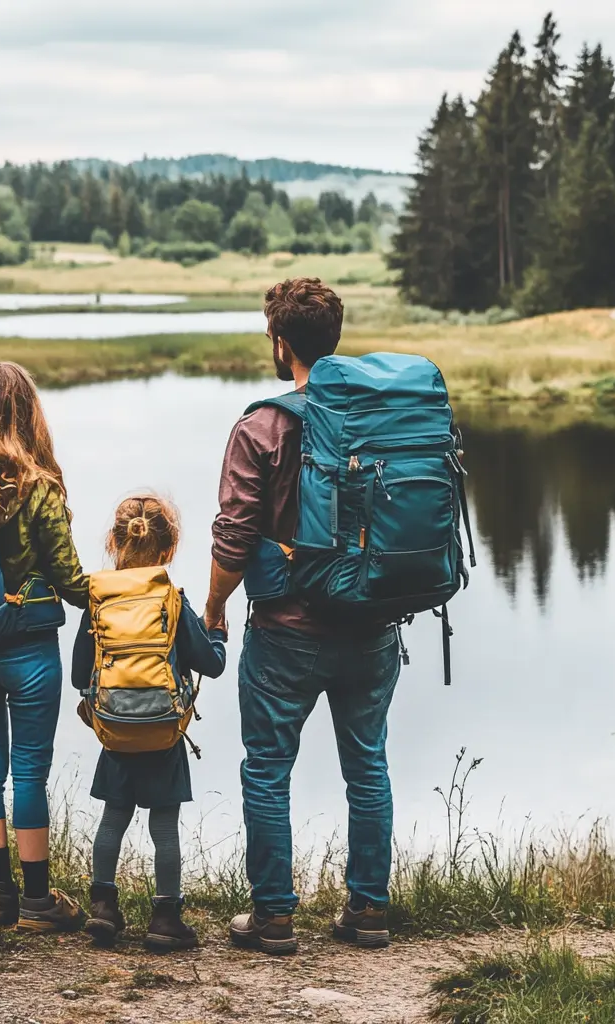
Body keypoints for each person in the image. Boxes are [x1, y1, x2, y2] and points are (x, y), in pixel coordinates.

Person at [205, 278, 403, 955]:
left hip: (286, 630)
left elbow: (234, 537)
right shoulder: (380, 416)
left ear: (280, 342)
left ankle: (274, 917)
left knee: (266, 769)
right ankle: (369, 911)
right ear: (335, 338)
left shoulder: (262, 424)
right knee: (368, 766)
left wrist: (212, 607)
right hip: (374, 624)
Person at [0, 362, 89, 933]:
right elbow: (69, 576)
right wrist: (121, 591)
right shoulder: (39, 488)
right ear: (31, 413)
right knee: (30, 772)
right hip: (28, 650)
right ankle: (37, 901)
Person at [71, 495, 227, 950]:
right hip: (162, 733)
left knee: (113, 817)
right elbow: (211, 665)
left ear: (114, 542)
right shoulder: (172, 600)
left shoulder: (97, 600)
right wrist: (216, 632)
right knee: (164, 825)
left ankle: (103, 908)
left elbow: (82, 675)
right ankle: (165, 918)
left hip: (115, 731)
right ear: (168, 551)